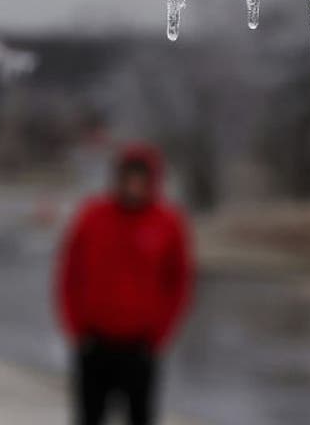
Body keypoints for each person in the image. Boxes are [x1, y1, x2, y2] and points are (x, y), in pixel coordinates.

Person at [55, 143, 193, 425]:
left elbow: (179, 282)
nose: (133, 186)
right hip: (95, 342)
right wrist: (75, 326)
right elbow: (69, 272)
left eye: (140, 179)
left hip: (140, 347)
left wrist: (159, 334)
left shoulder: (167, 223)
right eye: (128, 178)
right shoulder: (93, 216)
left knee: (140, 416)